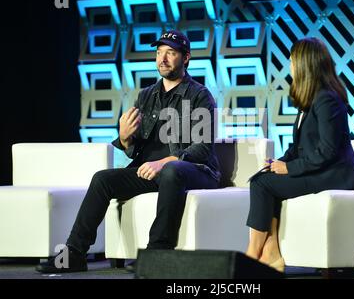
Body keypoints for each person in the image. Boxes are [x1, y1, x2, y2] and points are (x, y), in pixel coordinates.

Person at [36, 30, 221, 273]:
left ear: (185, 58)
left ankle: (157, 254)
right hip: (151, 173)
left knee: (172, 170)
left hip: (195, 171)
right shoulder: (146, 96)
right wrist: (124, 138)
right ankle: (75, 253)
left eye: (171, 53)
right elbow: (134, 148)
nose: (162, 59)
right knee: (102, 179)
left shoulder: (199, 95)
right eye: (159, 52)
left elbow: (202, 149)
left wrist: (165, 162)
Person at [245, 37, 354, 273]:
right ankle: (270, 253)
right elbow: (299, 146)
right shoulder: (310, 98)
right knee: (261, 179)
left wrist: (290, 169)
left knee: (262, 185)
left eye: (292, 60)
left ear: (304, 64)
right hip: (319, 170)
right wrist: (280, 162)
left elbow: (328, 150)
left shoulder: (327, 99)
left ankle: (254, 252)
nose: (289, 64)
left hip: (334, 175)